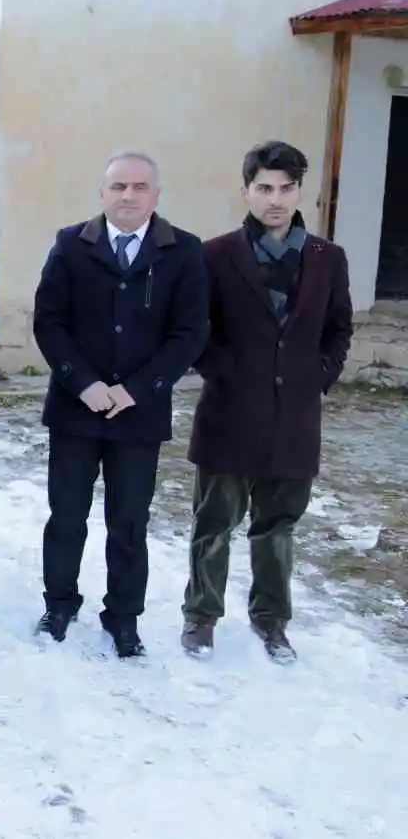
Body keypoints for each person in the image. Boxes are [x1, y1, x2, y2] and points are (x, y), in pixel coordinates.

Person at [31, 151, 208, 658]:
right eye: (118, 187)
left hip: (140, 414)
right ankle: (59, 603)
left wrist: (139, 387)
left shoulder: (183, 251)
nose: (128, 196)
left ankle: (124, 617)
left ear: (156, 195)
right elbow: (50, 321)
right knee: (66, 516)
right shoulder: (71, 244)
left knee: (129, 522)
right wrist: (82, 382)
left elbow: (190, 332)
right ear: (102, 192)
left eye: (139, 187)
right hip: (75, 410)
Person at [181, 141, 352, 663]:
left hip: (294, 419)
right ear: (247, 190)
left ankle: (273, 621)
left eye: (286, 188)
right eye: (264, 188)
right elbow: (195, 331)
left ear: (302, 190)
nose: (275, 200)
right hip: (229, 413)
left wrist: (316, 378)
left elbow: (338, 328)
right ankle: (201, 618)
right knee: (214, 524)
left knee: (278, 527)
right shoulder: (215, 254)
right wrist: (228, 374)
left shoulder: (327, 258)